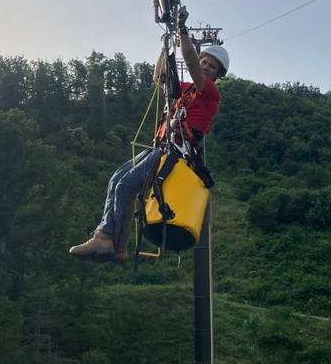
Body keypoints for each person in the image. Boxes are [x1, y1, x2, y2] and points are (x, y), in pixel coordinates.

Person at [68, 25, 229, 263]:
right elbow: (159, 78)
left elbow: (192, 64)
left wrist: (182, 34)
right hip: (162, 147)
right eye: (204, 61)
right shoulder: (187, 90)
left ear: (217, 74)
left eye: (211, 66)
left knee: (126, 186)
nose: (205, 66)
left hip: (175, 152)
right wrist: (166, 47)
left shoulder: (211, 94)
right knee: (116, 179)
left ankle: (115, 244)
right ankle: (103, 236)